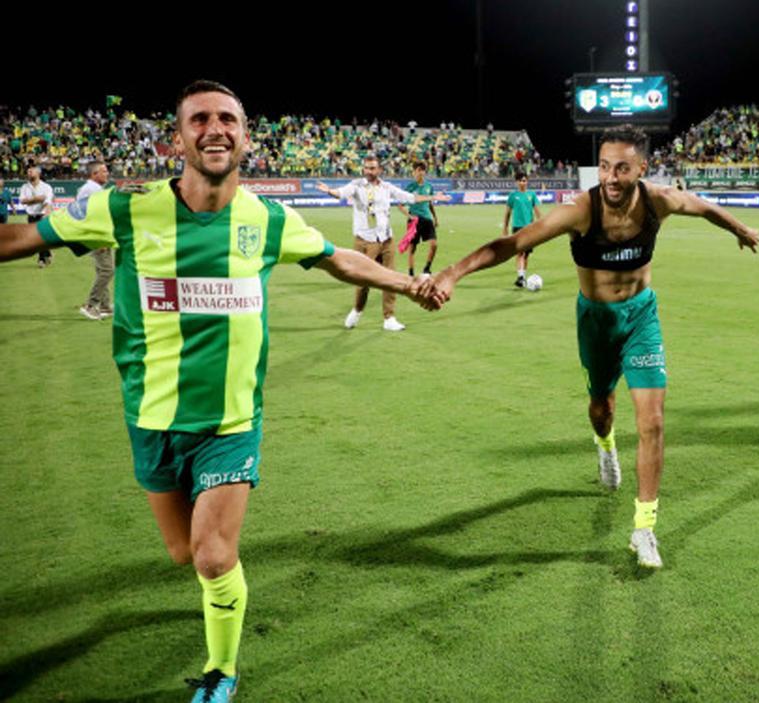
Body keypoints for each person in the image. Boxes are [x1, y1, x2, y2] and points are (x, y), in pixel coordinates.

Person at [0, 81, 428, 703]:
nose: (215, 128)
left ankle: (221, 672)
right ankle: (217, 605)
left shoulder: (267, 217)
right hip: (150, 416)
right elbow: (21, 239)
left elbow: (341, 258)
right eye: (199, 119)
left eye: (228, 118)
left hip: (230, 422)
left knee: (211, 556)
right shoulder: (125, 209)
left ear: (246, 136)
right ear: (178, 138)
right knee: (181, 553)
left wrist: (408, 284)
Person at [419, 124, 759, 569]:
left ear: (643, 167)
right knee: (602, 407)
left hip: (641, 317)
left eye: (622, 168)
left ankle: (644, 529)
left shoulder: (659, 201)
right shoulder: (582, 210)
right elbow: (513, 243)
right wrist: (452, 272)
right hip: (596, 322)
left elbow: (701, 204)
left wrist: (740, 228)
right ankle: (605, 445)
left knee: (653, 420)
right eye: (603, 167)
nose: (611, 178)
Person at [317, 156, 446, 331]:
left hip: (386, 240)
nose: (369, 171)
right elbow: (342, 193)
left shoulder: (386, 187)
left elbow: (409, 197)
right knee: (363, 281)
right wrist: (329, 191)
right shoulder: (356, 185)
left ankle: (389, 318)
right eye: (367, 168)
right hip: (365, 241)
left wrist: (433, 196)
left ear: (379, 170)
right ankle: (357, 311)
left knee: (390, 278)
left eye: (373, 168)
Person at [77, 162, 113, 320]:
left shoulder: (91, 189)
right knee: (107, 270)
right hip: (97, 235)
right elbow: (92, 215)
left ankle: (105, 306)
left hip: (97, 234)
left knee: (102, 270)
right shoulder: (92, 190)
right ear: (94, 174)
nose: (107, 174)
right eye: (104, 171)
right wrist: (99, 238)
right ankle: (90, 305)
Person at [503, 172, 543, 287]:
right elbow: (507, 213)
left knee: (526, 254)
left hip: (530, 227)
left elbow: (537, 211)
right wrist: (505, 228)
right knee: (520, 252)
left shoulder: (532, 195)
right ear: (516, 182)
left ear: (527, 182)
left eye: (524, 180)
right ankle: (520, 277)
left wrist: (542, 224)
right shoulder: (513, 195)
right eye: (520, 181)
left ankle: (523, 277)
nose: (522, 183)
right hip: (517, 227)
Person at [404, 161, 440, 278]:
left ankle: (427, 268)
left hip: (427, 219)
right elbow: (401, 203)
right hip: (414, 220)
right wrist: (408, 216)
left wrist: (435, 217)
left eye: (422, 170)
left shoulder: (429, 186)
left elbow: (430, 203)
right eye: (417, 170)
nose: (419, 173)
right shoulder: (410, 187)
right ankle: (410, 274)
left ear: (424, 172)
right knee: (412, 248)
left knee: (434, 244)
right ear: (414, 172)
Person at [19, 166, 55, 267]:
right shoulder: (24, 187)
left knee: (39, 238)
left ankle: (41, 260)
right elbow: (22, 200)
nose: (29, 173)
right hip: (31, 215)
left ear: (38, 173)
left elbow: (47, 201)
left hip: (42, 215)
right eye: (28, 172)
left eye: (31, 171)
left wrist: (47, 213)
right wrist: (37, 198)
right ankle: (47, 252)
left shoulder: (46, 187)